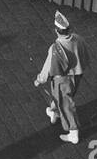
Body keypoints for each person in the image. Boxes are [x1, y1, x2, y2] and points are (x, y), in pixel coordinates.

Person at [37, 11, 87, 144]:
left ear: (56, 31)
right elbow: (85, 55)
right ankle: (54, 112)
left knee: (66, 104)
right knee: (61, 97)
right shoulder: (78, 39)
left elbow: (47, 67)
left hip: (62, 79)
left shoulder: (55, 48)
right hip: (76, 76)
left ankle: (73, 133)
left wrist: (40, 79)